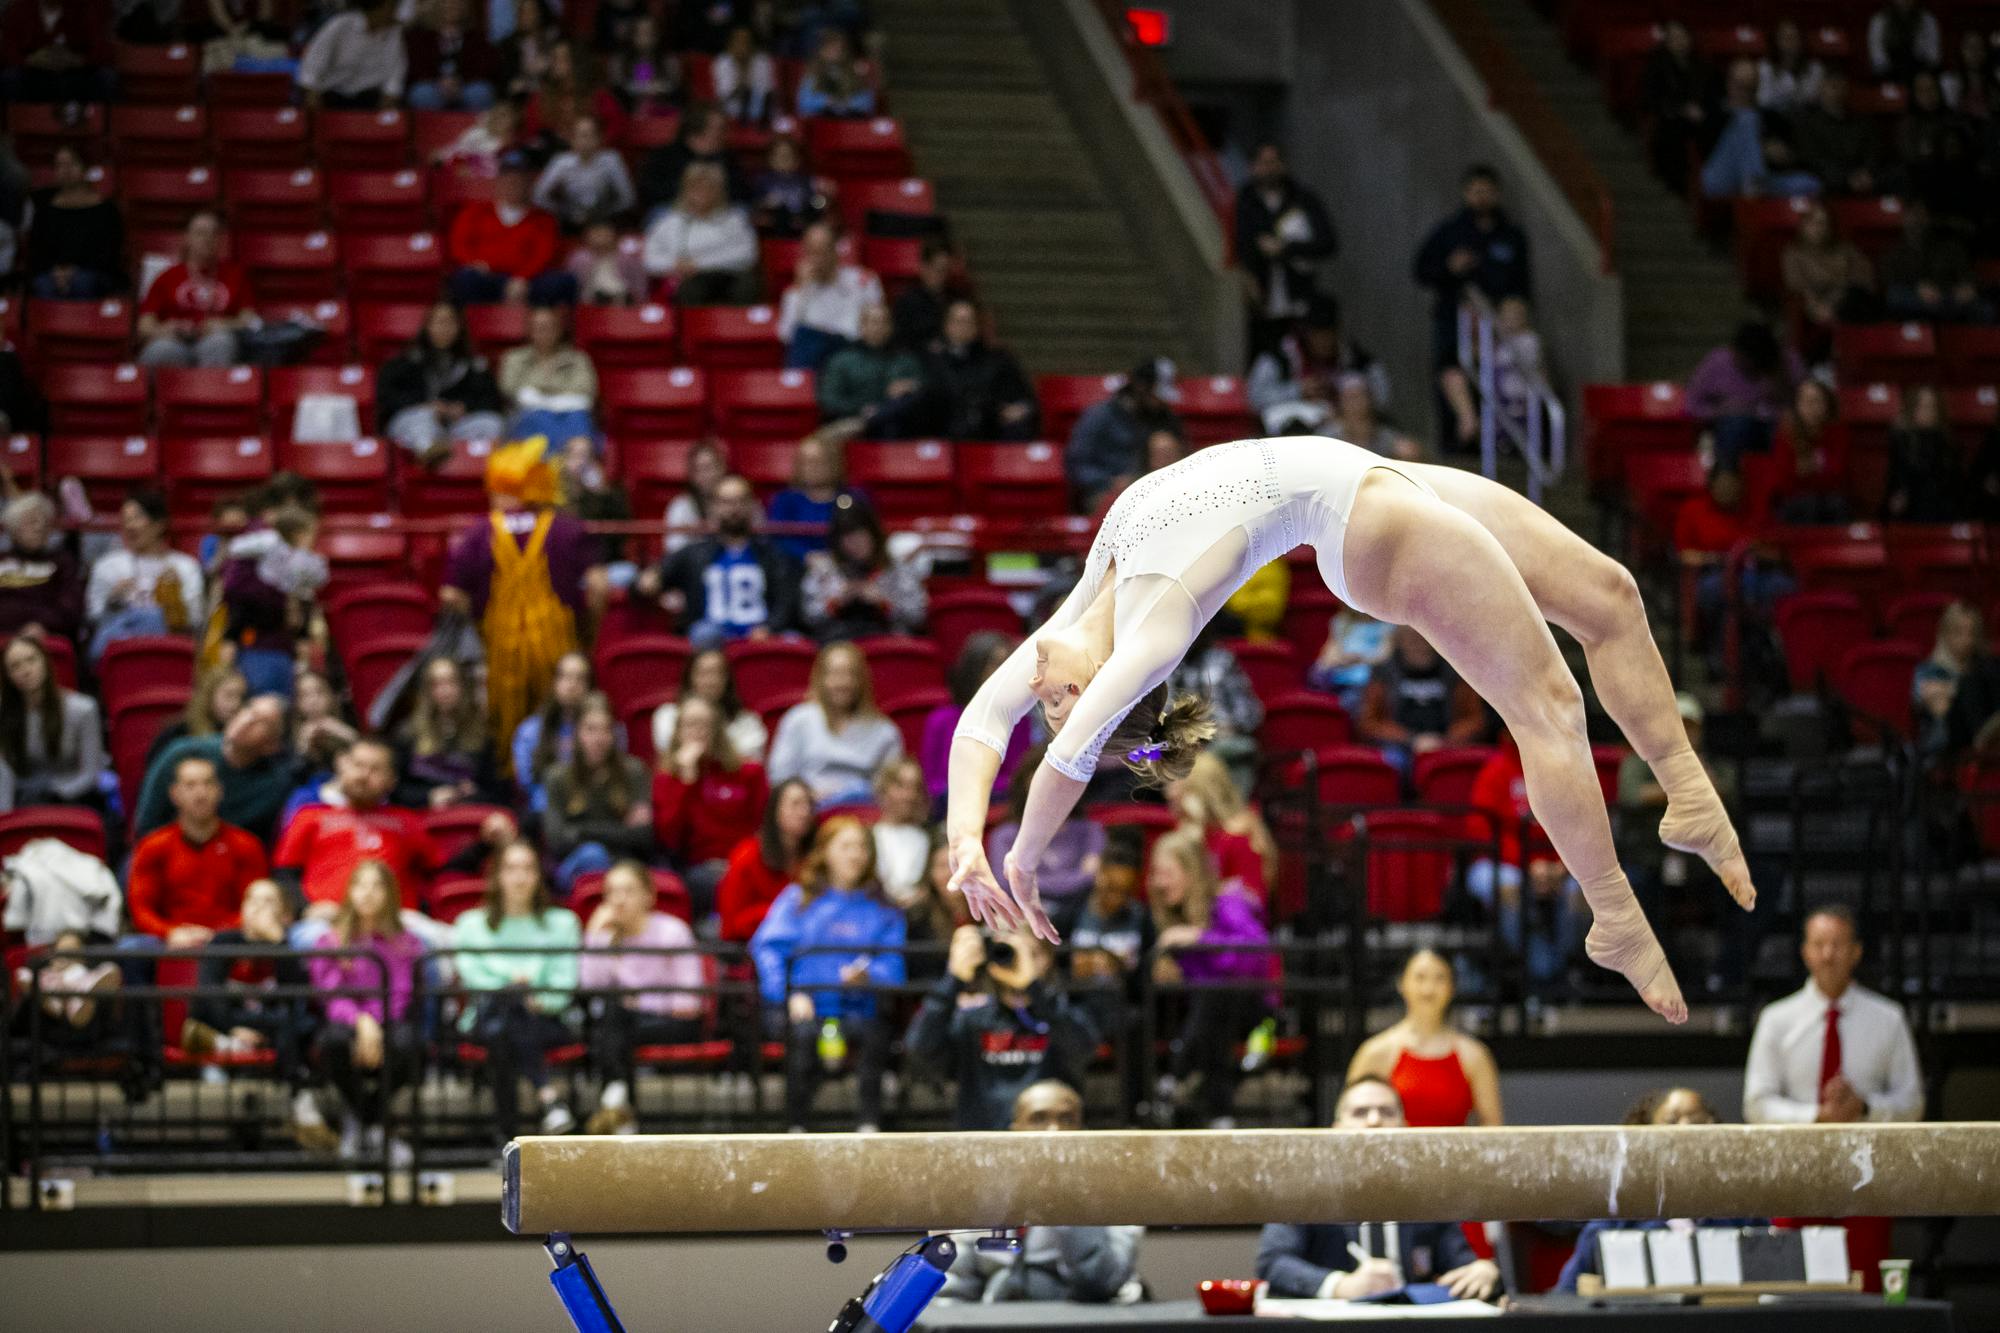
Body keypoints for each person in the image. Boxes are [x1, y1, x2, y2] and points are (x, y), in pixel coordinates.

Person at [944, 436, 1753, 1023]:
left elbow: (982, 719)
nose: (1033, 686)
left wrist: (967, 842)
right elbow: (1066, 758)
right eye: (1056, 704)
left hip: (1369, 474)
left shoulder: (1089, 597)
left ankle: (1686, 790)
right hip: (1369, 530)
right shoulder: (1153, 631)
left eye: (1046, 701)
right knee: (1550, 706)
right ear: (1100, 697)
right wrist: (1022, 856)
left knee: (1609, 595)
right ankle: (1613, 914)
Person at [1744, 904, 1923, 1290]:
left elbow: (1913, 1101)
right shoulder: (1778, 1018)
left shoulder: (1888, 1018)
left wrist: (1865, 1108)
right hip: (1795, 1174)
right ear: (1806, 951)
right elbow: (1757, 1103)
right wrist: (1816, 1116)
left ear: (1856, 952)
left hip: (1866, 1177)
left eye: (1838, 945)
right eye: (1820, 944)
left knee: (1865, 1293)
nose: (1828, 954)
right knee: (1791, 1292)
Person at [1258, 1076, 1502, 1301]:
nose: (1374, 1121)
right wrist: (1340, 1285)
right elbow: (1273, 1262)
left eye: (1386, 1112)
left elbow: (1461, 1266)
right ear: (1336, 1128)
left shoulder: (1428, 1193)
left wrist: (1484, 1270)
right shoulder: (1305, 1189)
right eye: (1360, 1112)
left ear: (1404, 1126)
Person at [441, 440, 604, 760]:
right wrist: (587, 632)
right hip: (558, 646)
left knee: (507, 731)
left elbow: (449, 594)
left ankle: (513, 789)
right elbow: (598, 587)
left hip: (502, 649)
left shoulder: (480, 531)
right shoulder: (568, 529)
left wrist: (481, 624)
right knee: (559, 723)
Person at [750, 816, 905, 1132]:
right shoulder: (798, 900)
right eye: (846, 846)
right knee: (802, 1039)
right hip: (807, 1010)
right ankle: (796, 1128)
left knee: (876, 1037)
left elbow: (894, 969)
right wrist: (788, 994)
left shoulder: (883, 909)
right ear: (824, 852)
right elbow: (767, 949)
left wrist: (868, 974)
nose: (856, 855)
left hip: (860, 1011)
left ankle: (869, 1127)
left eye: (862, 847)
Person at [932, 1081, 1144, 1305]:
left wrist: (1067, 1200)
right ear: (1015, 1131)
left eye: (1066, 1119)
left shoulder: (1113, 1192)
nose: (1054, 1130)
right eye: (1039, 1118)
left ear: (1081, 1131)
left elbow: (1102, 1280)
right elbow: (954, 1289)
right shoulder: (985, 1195)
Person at [1556, 1088, 1753, 1292]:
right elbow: (1568, 1289)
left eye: (1697, 1119)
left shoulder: (1738, 1208)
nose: (1685, 1128)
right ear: (1646, 1133)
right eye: (1671, 1120)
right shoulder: (1622, 1214)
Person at [905, 927, 1099, 1132]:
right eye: (1008, 951)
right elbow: (921, 1051)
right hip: (985, 1143)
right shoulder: (972, 1019)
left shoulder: (1063, 1014)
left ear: (1049, 958)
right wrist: (953, 979)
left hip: (1051, 1142)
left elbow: (1084, 1050)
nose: (1018, 961)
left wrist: (1034, 989)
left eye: (1031, 954)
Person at [452, 839, 583, 1139]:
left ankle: (506, 1140)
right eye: (511, 869)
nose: (520, 877)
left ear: (539, 876)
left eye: (528, 868)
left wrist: (538, 1000)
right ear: (497, 876)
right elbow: (473, 978)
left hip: (546, 1019)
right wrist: (515, 988)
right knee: (504, 1014)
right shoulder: (470, 924)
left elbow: (564, 983)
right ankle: (548, 1098)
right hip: (484, 1016)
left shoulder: (563, 923)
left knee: (503, 1032)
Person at [185, 878, 329, 1148]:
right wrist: (234, 1028)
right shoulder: (224, 941)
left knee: (300, 1022)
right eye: (252, 900)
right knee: (203, 1007)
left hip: (273, 1030)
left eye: (268, 901)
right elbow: (210, 994)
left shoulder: (286, 947)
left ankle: (296, 1096)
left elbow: (298, 994)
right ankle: (228, 1043)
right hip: (232, 1023)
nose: (259, 908)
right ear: (242, 909)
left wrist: (277, 940)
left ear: (285, 915)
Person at [1144, 828, 1273, 1128]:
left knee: (1216, 996)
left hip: (1254, 1017)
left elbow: (1255, 958)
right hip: (1201, 1023)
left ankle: (1174, 1078)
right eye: (1156, 873)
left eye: (1167, 873)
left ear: (1191, 873)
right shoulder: (1168, 917)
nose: (1159, 882)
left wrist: (1200, 938)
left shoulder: (1227, 904)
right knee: (1207, 1009)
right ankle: (1218, 1114)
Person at [310, 860, 427, 1165]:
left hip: (388, 1018)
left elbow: (401, 994)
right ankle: (375, 1126)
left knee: (409, 1044)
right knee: (333, 1042)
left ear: (390, 894)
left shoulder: (406, 943)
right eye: (361, 884)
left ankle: (363, 1123)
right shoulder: (330, 941)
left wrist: (374, 1022)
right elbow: (330, 995)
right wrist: (361, 1022)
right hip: (347, 1021)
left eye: (377, 886)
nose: (368, 893)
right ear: (349, 891)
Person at [580, 859, 706, 1133]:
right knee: (614, 1017)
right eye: (612, 892)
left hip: (673, 1024)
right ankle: (622, 1106)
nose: (619, 900)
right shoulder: (604, 936)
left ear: (649, 896)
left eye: (628, 891)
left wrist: (641, 1004)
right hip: (623, 1024)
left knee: (615, 1018)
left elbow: (689, 1002)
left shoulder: (672, 931)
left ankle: (617, 1101)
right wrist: (593, 937)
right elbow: (590, 985)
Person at [1413, 167, 1531, 447]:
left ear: (1497, 194)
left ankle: (1506, 442)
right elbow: (1421, 270)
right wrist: (1449, 267)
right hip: (1455, 320)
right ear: (1466, 193)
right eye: (1475, 191)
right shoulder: (1450, 232)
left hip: (1497, 322)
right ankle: (1459, 439)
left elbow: (1521, 284)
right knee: (1451, 373)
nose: (1481, 198)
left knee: (1506, 376)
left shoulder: (1511, 235)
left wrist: (1513, 310)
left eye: (1486, 191)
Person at [1466, 729, 1587, 987]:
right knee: (1506, 888)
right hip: (1503, 863)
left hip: (1557, 863)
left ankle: (1563, 965)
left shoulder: (1561, 771)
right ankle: (1541, 971)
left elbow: (1577, 825)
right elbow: (1481, 829)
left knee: (1582, 892)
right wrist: (1528, 864)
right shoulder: (1495, 770)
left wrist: (1561, 866)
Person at [274, 737, 441, 912]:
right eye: (358, 765)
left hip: (396, 925)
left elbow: (437, 871)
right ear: (342, 766)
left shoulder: (407, 821)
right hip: (326, 922)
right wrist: (307, 909)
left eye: (375, 770)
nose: (363, 776)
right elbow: (285, 875)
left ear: (392, 780)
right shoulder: (309, 816)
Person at [638, 474, 803, 646]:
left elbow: (786, 602)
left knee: (794, 641)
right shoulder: (694, 554)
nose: (734, 509)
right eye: (726, 502)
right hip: (711, 637)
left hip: (760, 636)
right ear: (713, 507)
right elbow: (652, 578)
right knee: (703, 634)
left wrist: (769, 628)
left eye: (740, 501)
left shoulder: (773, 556)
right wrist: (647, 580)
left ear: (752, 506)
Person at [1347, 949, 1503, 1130]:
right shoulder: (1375, 1051)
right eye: (1420, 977)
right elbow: (1348, 1117)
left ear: (1452, 987)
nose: (1428, 988)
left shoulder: (1474, 1055)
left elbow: (1492, 1126)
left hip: (1453, 1157)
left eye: (1439, 978)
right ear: (1402, 983)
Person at [126, 755, 268, 943]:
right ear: (175, 793)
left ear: (219, 791)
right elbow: (141, 909)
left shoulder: (246, 845)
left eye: (208, 784)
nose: (201, 794)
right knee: (133, 946)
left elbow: (257, 906)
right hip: (169, 938)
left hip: (230, 939)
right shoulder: (153, 846)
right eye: (190, 785)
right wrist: (170, 932)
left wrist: (219, 936)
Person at [652, 695, 768, 918]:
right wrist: (686, 781)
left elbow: (762, 826)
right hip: (697, 868)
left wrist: (742, 862)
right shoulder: (667, 779)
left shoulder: (749, 773)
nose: (697, 731)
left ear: (718, 729)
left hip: (743, 862)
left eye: (704, 724)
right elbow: (669, 839)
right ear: (678, 731)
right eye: (690, 724)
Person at [135, 695, 291, 843]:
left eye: (262, 722)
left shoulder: (271, 788)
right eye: (249, 709)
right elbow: (146, 823)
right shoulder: (182, 753)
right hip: (167, 851)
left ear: (272, 746)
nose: (247, 720)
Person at [1233, 143, 1338, 358]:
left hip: (1298, 293)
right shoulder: (1244, 201)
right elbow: (1239, 244)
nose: (1269, 169)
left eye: (1274, 162)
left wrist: (1286, 248)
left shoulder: (1303, 199)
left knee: (1300, 354)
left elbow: (1327, 242)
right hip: (1261, 298)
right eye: (1264, 163)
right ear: (1253, 167)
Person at [768, 641, 905, 805]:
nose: (842, 683)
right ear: (820, 678)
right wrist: (808, 795)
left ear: (862, 680)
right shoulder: (798, 720)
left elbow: (891, 791)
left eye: (850, 674)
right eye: (835, 674)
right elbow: (780, 778)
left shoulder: (885, 731)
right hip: (809, 812)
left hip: (865, 814)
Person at [542, 692, 653, 890]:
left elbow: (643, 837)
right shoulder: (557, 777)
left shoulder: (633, 772)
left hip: (625, 867)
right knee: (593, 855)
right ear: (577, 733)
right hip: (575, 868)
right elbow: (557, 841)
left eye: (605, 730)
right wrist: (619, 832)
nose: (598, 739)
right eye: (590, 730)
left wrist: (580, 830)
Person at [379, 301, 508, 468]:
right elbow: (387, 397)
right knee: (422, 420)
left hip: (456, 428)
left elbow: (492, 399)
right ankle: (430, 453)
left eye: (450, 322)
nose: (444, 328)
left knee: (492, 423)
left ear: (459, 328)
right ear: (427, 326)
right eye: (439, 322)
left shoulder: (473, 364)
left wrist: (463, 407)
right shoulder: (406, 362)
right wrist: (426, 405)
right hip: (417, 424)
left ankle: (480, 472)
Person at [1356, 624, 1490, 776]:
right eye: (1412, 639)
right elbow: (1368, 723)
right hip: (1399, 747)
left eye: (1423, 638)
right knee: (1391, 762)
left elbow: (1476, 720)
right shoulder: (1383, 672)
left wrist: (1444, 741)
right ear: (1399, 640)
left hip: (1448, 744)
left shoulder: (1456, 671)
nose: (1418, 644)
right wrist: (1410, 740)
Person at [446, 152, 577, 308]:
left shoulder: (544, 220)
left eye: (519, 179)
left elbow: (544, 255)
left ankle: (542, 327)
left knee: (563, 282)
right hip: (486, 278)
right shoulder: (475, 212)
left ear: (529, 182)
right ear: (499, 181)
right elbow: (459, 245)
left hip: (528, 283)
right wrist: (474, 263)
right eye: (508, 178)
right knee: (466, 278)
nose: (513, 183)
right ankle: (474, 327)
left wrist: (522, 278)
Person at [85, 489, 202, 661]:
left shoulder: (185, 566)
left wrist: (174, 601)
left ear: (159, 524)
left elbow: (196, 619)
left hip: (167, 651)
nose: (130, 526)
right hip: (121, 652)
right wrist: (113, 601)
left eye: (137, 518)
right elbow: (93, 616)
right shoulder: (107, 566)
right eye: (126, 520)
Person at [1248, 296, 1390, 435]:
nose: (1322, 340)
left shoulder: (1357, 361)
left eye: (1327, 333)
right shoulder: (1279, 357)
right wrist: (1298, 390)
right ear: (1304, 332)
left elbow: (1382, 400)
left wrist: (1344, 400)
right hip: (1290, 433)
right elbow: (1254, 400)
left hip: (1345, 435)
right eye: (1316, 333)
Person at [921, 633, 1031, 807]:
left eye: (1009, 663)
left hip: (1000, 810)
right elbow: (931, 783)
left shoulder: (1020, 721)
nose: (1005, 671)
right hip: (948, 809)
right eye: (997, 663)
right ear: (976, 668)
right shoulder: (940, 720)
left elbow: (1017, 780)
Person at [136, 211, 253, 371]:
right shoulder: (168, 276)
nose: (207, 239)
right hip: (175, 341)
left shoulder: (235, 275)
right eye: (200, 233)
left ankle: (211, 394)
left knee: (221, 342)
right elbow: (144, 326)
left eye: (214, 234)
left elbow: (249, 320)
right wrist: (167, 328)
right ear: (187, 238)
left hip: (213, 339)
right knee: (163, 350)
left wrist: (223, 324)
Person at [0, 634, 104, 813]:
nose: (25, 670)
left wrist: (55, 796)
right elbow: (4, 773)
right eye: (15, 666)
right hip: (22, 801)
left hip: (73, 799)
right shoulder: (4, 713)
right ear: (8, 676)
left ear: (45, 662)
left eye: (31, 660)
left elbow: (91, 774)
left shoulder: (83, 708)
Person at [1065, 360, 1184, 513]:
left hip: (1150, 488)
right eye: (1155, 396)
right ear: (1141, 387)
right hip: (1106, 492)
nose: (1160, 403)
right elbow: (1077, 465)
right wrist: (1109, 481)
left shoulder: (1165, 417)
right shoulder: (1101, 416)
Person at [800, 498, 926, 641]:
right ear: (838, 542)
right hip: (837, 641)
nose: (855, 544)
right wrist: (836, 602)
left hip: (888, 641)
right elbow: (808, 617)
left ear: (874, 535)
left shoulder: (896, 568)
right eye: (848, 538)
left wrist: (883, 603)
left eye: (861, 535)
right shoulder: (824, 570)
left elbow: (917, 616)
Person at [640, 162, 761, 305]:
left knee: (746, 285)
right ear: (685, 189)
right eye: (696, 187)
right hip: (688, 279)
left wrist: (699, 264)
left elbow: (747, 254)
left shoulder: (734, 220)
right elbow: (649, 258)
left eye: (709, 188)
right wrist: (675, 264)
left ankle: (739, 326)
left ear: (720, 191)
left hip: (729, 276)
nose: (703, 193)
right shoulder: (670, 221)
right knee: (690, 289)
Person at [393, 657, 502, 811]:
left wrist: (474, 794)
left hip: (468, 813)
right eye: (437, 684)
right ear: (426, 691)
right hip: (422, 815)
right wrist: (428, 796)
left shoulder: (483, 734)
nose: (445, 690)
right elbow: (395, 791)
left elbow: (499, 792)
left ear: (463, 687)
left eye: (451, 682)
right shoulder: (408, 733)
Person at [717, 777, 818, 943]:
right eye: (795, 804)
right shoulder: (747, 855)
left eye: (809, 805)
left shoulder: (817, 856)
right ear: (775, 809)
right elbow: (731, 925)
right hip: (754, 947)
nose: (804, 811)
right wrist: (783, 912)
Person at [923, 299, 1040, 441]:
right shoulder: (932, 360)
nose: (963, 327)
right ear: (947, 325)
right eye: (958, 321)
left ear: (977, 326)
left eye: (968, 321)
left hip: (991, 429)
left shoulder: (997, 359)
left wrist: (1017, 410)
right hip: (948, 432)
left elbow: (1025, 400)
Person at [777, 221, 884, 370]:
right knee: (804, 336)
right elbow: (786, 336)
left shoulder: (863, 281)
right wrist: (802, 291)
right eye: (812, 252)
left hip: (853, 353)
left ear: (835, 250)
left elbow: (879, 327)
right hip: (815, 360)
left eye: (823, 250)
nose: (818, 259)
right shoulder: (796, 292)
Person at [1170, 752, 1278, 896]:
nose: (1170, 794)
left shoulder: (1240, 837)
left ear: (1203, 793)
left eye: (1181, 788)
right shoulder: (1191, 830)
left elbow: (1252, 898)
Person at [26, 146, 123, 301]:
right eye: (60, 165)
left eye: (72, 164)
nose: (66, 170)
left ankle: (82, 324)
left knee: (82, 282)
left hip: (93, 272)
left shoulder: (106, 209)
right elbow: (37, 249)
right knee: (45, 284)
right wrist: (57, 271)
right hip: (52, 273)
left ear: (85, 168)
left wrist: (73, 271)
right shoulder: (44, 208)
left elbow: (109, 252)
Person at [1782, 204, 1874, 362]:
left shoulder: (1844, 249)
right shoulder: (1793, 253)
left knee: (1858, 298)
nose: (1818, 228)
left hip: (1848, 302)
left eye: (1822, 223)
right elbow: (1798, 286)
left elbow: (1864, 275)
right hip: (1818, 306)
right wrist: (1817, 305)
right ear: (1803, 225)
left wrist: (1835, 301)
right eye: (1812, 223)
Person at [817, 304, 927, 436]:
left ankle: (876, 418)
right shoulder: (842, 360)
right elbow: (830, 400)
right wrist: (861, 408)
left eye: (884, 322)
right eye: (874, 322)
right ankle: (876, 418)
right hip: (853, 422)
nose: (879, 327)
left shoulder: (906, 359)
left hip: (898, 424)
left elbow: (926, 391)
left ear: (891, 327)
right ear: (862, 326)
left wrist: (912, 386)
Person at [651, 646, 769, 767]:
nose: (711, 681)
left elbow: (751, 767)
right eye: (703, 673)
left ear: (727, 679)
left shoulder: (748, 722)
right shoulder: (667, 715)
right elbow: (668, 765)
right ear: (689, 677)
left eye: (717, 673)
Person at [1880, 199, 1992, 324]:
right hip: (1916, 300)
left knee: (1985, 309)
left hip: (1949, 297)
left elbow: (1967, 275)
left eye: (1920, 214)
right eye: (1911, 214)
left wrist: (1968, 286)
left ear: (1928, 218)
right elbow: (1889, 280)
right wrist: (1917, 287)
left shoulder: (1949, 247)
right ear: (1903, 218)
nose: (1916, 220)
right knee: (1896, 296)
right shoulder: (1895, 253)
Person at [1639, 21, 1719, 189]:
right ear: (1667, 42)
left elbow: (1713, 95)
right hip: (1671, 119)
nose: (1680, 42)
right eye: (1674, 38)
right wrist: (1681, 109)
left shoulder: (1703, 67)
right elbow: (1652, 100)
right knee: (1673, 131)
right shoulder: (1657, 67)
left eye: (1683, 37)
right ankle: (1678, 182)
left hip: (1701, 118)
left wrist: (1702, 110)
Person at [636, 102, 749, 216]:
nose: (724, 133)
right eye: (719, 128)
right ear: (697, 128)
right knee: (659, 214)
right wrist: (691, 194)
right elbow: (650, 191)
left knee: (740, 212)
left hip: (718, 210)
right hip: (674, 208)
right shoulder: (664, 155)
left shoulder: (727, 157)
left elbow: (742, 193)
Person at [0, 494, 83, 645]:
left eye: (43, 522)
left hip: (45, 640)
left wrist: (43, 625)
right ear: (14, 527)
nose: (38, 527)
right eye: (31, 522)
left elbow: (72, 608)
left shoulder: (62, 562)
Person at [1766, 379, 1851, 523]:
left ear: (1827, 406)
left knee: (1836, 504)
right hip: (1795, 501)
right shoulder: (1786, 433)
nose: (1810, 407)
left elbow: (1839, 475)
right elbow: (1782, 480)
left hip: (1828, 497)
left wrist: (1810, 471)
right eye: (1805, 401)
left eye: (1816, 401)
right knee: (1808, 504)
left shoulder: (1838, 433)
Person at [534, 115, 637, 231]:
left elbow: (628, 198)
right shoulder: (561, 162)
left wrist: (607, 212)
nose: (586, 141)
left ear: (600, 138)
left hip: (604, 219)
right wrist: (562, 212)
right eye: (582, 136)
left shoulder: (612, 159)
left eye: (591, 135)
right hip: (570, 220)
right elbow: (539, 195)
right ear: (572, 139)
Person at [766, 432, 859, 560]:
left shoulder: (854, 498)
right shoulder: (784, 501)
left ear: (834, 463)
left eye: (819, 461)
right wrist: (806, 556)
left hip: (847, 564)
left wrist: (836, 558)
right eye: (806, 462)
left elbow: (863, 537)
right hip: (794, 567)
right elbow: (777, 540)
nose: (813, 467)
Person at [297, 0, 405, 109]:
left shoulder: (394, 33)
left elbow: (395, 72)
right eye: (391, 8)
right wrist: (311, 93)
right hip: (332, 93)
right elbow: (312, 64)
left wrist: (390, 96)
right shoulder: (341, 25)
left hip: (369, 98)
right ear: (376, 9)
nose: (395, 13)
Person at [1794, 72, 1884, 197]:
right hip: (1831, 178)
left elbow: (1873, 150)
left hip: (1863, 175)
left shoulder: (1861, 121)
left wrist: (1867, 171)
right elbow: (1813, 158)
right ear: (1821, 89)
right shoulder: (1808, 123)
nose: (1838, 93)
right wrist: (1847, 178)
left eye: (1842, 87)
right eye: (1833, 87)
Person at [1883, 384, 1965, 522]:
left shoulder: (1948, 442)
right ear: (1912, 408)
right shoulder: (1901, 440)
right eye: (1922, 406)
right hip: (1911, 509)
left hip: (1942, 508)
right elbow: (1896, 480)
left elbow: (1955, 483)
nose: (1927, 412)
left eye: (1931, 407)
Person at [1915, 603, 1984, 763]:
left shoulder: (1985, 669)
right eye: (1959, 633)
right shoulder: (1928, 670)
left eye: (1972, 633)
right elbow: (1941, 711)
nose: (1967, 640)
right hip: (1942, 751)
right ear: (1945, 634)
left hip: (1978, 746)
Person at [146, 665, 249, 772]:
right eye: (229, 695)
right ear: (208, 697)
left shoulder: (244, 737)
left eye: (241, 697)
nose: (236, 704)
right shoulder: (178, 732)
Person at [405, 0, 501, 111]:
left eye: (457, 3)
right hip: (434, 86)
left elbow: (486, 67)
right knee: (422, 93)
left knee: (481, 93)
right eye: (446, 2)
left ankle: (476, 128)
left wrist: (460, 82)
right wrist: (439, 82)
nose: (451, 6)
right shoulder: (422, 36)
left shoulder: (476, 38)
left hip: (465, 87)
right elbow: (416, 66)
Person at [869, 757, 932, 904]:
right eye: (901, 786)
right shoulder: (867, 836)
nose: (909, 795)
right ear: (884, 788)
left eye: (915, 787)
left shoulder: (932, 838)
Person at [1310, 604, 1394, 714]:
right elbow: (1329, 654)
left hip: (1365, 680)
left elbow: (1384, 655)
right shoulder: (1342, 623)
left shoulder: (1386, 626)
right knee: (1317, 672)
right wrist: (1341, 660)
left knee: (1352, 700)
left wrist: (1359, 659)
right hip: (1338, 676)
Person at [891, 237, 959, 354]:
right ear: (924, 267)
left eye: (946, 269)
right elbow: (900, 340)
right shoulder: (906, 301)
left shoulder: (955, 299)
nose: (942, 275)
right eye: (938, 269)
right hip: (918, 361)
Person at [565, 215, 650, 307]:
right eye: (596, 233)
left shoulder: (628, 258)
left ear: (615, 235)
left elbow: (640, 286)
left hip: (624, 304)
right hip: (589, 303)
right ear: (586, 236)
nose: (600, 238)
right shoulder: (578, 258)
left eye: (604, 233)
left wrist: (637, 302)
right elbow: (573, 288)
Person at [663, 439, 729, 555]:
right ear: (692, 475)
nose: (705, 475)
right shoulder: (680, 506)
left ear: (722, 468)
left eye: (709, 468)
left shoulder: (739, 503)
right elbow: (674, 550)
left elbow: (757, 544)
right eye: (699, 470)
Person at [794, 28, 875, 118]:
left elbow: (867, 103)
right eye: (830, 48)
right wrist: (826, 101)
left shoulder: (855, 72)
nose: (834, 52)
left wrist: (847, 104)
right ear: (821, 51)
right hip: (821, 121)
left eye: (838, 48)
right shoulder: (814, 73)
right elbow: (803, 103)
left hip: (849, 121)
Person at [712, 24, 776, 123]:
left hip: (760, 115)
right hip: (731, 113)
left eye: (746, 41)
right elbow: (723, 97)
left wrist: (747, 66)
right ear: (730, 44)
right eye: (738, 41)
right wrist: (741, 68)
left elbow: (767, 93)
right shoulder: (722, 62)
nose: (743, 46)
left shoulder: (763, 61)